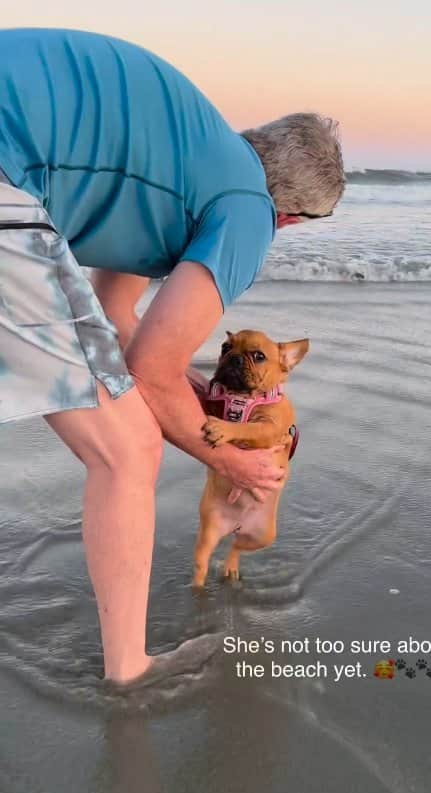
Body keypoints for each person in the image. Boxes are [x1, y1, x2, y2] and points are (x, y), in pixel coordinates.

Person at [0, 27, 345, 685]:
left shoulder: (191, 152)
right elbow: (146, 375)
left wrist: (181, 380)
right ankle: (129, 668)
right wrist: (228, 458)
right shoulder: (247, 209)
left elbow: (112, 320)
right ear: (294, 216)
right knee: (129, 449)